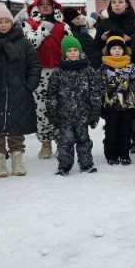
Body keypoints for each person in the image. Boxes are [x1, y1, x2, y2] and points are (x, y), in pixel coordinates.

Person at [0, 3, 41, 179]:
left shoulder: (22, 42)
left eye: (7, 21)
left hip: (18, 92)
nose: (4, 25)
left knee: (16, 128)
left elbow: (34, 65)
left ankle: (17, 159)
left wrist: (29, 85)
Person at [23, 0, 69, 160]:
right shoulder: (29, 25)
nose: (45, 8)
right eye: (41, 5)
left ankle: (61, 142)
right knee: (41, 110)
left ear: (54, 7)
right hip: (39, 72)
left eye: (48, 5)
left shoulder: (63, 26)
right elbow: (30, 44)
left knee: (60, 108)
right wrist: (43, 29)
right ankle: (45, 143)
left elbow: (72, 48)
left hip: (60, 71)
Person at [47, 36, 102, 176]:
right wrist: (52, 111)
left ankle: (86, 164)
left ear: (80, 51)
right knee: (65, 142)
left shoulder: (88, 70)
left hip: (83, 114)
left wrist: (95, 110)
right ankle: (64, 166)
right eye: (69, 50)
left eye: (75, 50)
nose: (73, 53)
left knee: (84, 140)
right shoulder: (57, 73)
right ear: (64, 53)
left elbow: (94, 91)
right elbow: (51, 94)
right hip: (64, 115)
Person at [98, 34, 135, 166]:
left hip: (127, 106)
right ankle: (111, 154)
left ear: (124, 50)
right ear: (108, 50)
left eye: (119, 48)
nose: (117, 50)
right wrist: (100, 105)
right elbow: (99, 87)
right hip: (110, 106)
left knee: (125, 131)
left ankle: (124, 154)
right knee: (111, 131)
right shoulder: (104, 68)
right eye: (113, 48)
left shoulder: (131, 67)